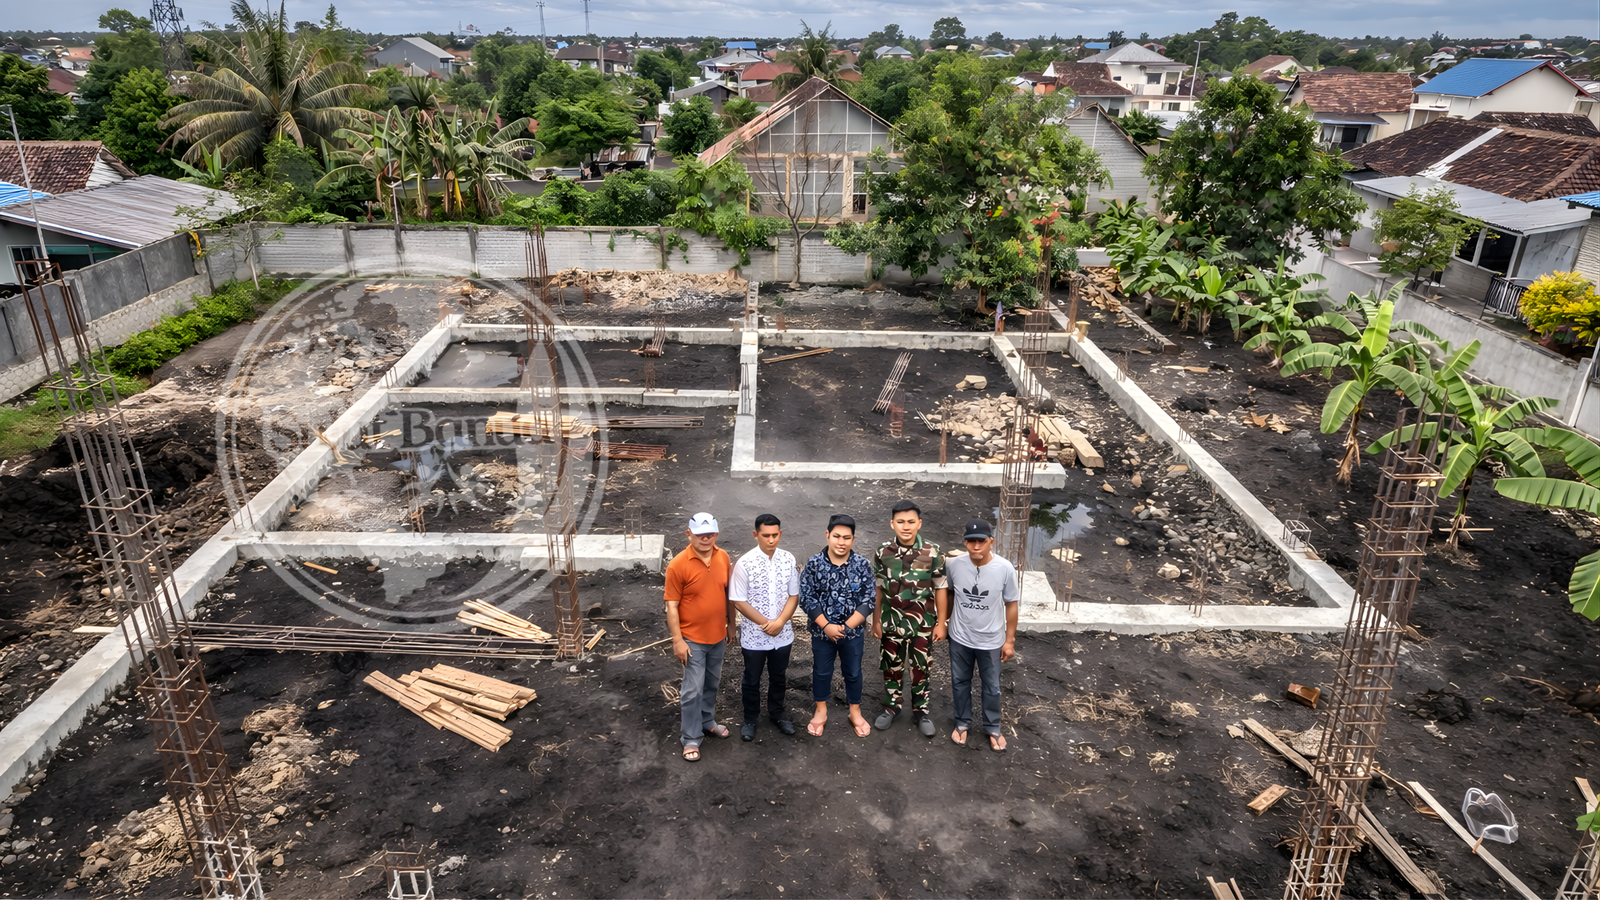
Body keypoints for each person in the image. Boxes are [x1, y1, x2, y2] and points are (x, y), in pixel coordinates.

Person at [870, 499, 949, 737]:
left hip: (922, 623)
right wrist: (875, 620)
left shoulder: (933, 551)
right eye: (901, 522)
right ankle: (891, 706)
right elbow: (878, 589)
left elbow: (941, 588)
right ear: (892, 524)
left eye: (911, 522)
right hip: (891, 620)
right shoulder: (882, 552)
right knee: (891, 665)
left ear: (919, 523)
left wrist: (942, 622)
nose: (906, 526)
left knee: (920, 667)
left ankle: (920, 710)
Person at [664, 512, 735, 762]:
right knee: (692, 689)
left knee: (711, 683)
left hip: (717, 636)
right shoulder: (678, 565)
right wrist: (677, 640)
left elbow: (728, 595)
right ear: (689, 534)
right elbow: (672, 605)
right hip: (692, 638)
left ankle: (707, 721)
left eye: (711, 534)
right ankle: (691, 737)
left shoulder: (723, 557)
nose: (706, 539)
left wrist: (731, 626)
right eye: (700, 534)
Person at [944, 519, 1020, 752]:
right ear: (965, 542)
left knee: (992, 687)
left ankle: (993, 727)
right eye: (971, 541)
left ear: (991, 542)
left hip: (991, 641)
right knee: (959, 682)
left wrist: (1009, 640)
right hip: (960, 637)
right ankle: (962, 722)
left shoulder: (1005, 568)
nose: (976, 546)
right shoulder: (954, 565)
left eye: (981, 541)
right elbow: (947, 593)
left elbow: (1011, 604)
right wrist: (944, 622)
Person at [799, 514, 877, 738]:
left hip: (852, 634)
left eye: (847, 537)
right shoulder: (814, 564)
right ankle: (821, 710)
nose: (841, 542)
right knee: (822, 672)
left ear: (853, 539)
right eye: (836, 536)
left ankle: (855, 711)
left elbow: (868, 599)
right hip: (821, 634)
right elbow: (807, 598)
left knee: (853, 672)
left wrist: (845, 626)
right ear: (827, 535)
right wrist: (826, 626)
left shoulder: (862, 565)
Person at [729, 513, 800, 741]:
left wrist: (780, 622)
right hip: (754, 636)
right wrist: (765, 624)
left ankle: (777, 713)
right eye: (765, 535)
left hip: (783, 634)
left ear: (780, 534)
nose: (771, 540)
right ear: (755, 535)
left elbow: (793, 596)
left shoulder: (788, 559)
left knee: (778, 676)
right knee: (752, 678)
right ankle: (750, 718)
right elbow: (738, 600)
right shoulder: (744, 563)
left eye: (775, 535)